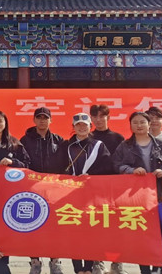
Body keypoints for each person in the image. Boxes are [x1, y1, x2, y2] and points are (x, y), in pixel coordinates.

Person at [113, 111, 162, 274]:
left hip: (159, 194)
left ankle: (158, 266)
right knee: (140, 232)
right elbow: (115, 165)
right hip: (135, 196)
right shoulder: (125, 146)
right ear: (130, 126)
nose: (139, 125)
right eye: (135, 122)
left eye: (142, 122)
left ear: (149, 124)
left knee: (160, 231)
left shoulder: (161, 145)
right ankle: (144, 269)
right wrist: (131, 170)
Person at [60, 113, 113, 274]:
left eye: (85, 125)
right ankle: (78, 268)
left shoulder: (99, 145)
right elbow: (59, 167)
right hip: (71, 194)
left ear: (91, 126)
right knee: (73, 231)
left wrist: (91, 176)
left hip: (92, 194)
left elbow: (108, 167)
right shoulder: (67, 146)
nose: (82, 128)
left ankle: (89, 267)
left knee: (90, 230)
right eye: (78, 125)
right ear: (73, 127)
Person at [20, 107, 65, 274]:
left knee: (54, 228)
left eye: (45, 118)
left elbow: (65, 165)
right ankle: (35, 261)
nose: (42, 121)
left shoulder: (59, 140)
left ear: (50, 120)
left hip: (53, 190)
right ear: (34, 120)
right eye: (39, 117)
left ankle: (55, 261)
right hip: (31, 189)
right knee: (33, 227)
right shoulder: (25, 140)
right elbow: (22, 162)